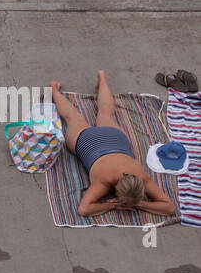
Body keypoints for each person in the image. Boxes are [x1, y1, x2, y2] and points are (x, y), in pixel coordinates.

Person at [52, 73, 176, 217]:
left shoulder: (140, 177)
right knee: (75, 118)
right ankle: (58, 89)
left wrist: (138, 203)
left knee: (97, 114)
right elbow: (83, 210)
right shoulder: (105, 181)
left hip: (114, 139)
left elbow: (170, 208)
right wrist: (112, 205)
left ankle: (97, 79)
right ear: (116, 189)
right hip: (89, 142)